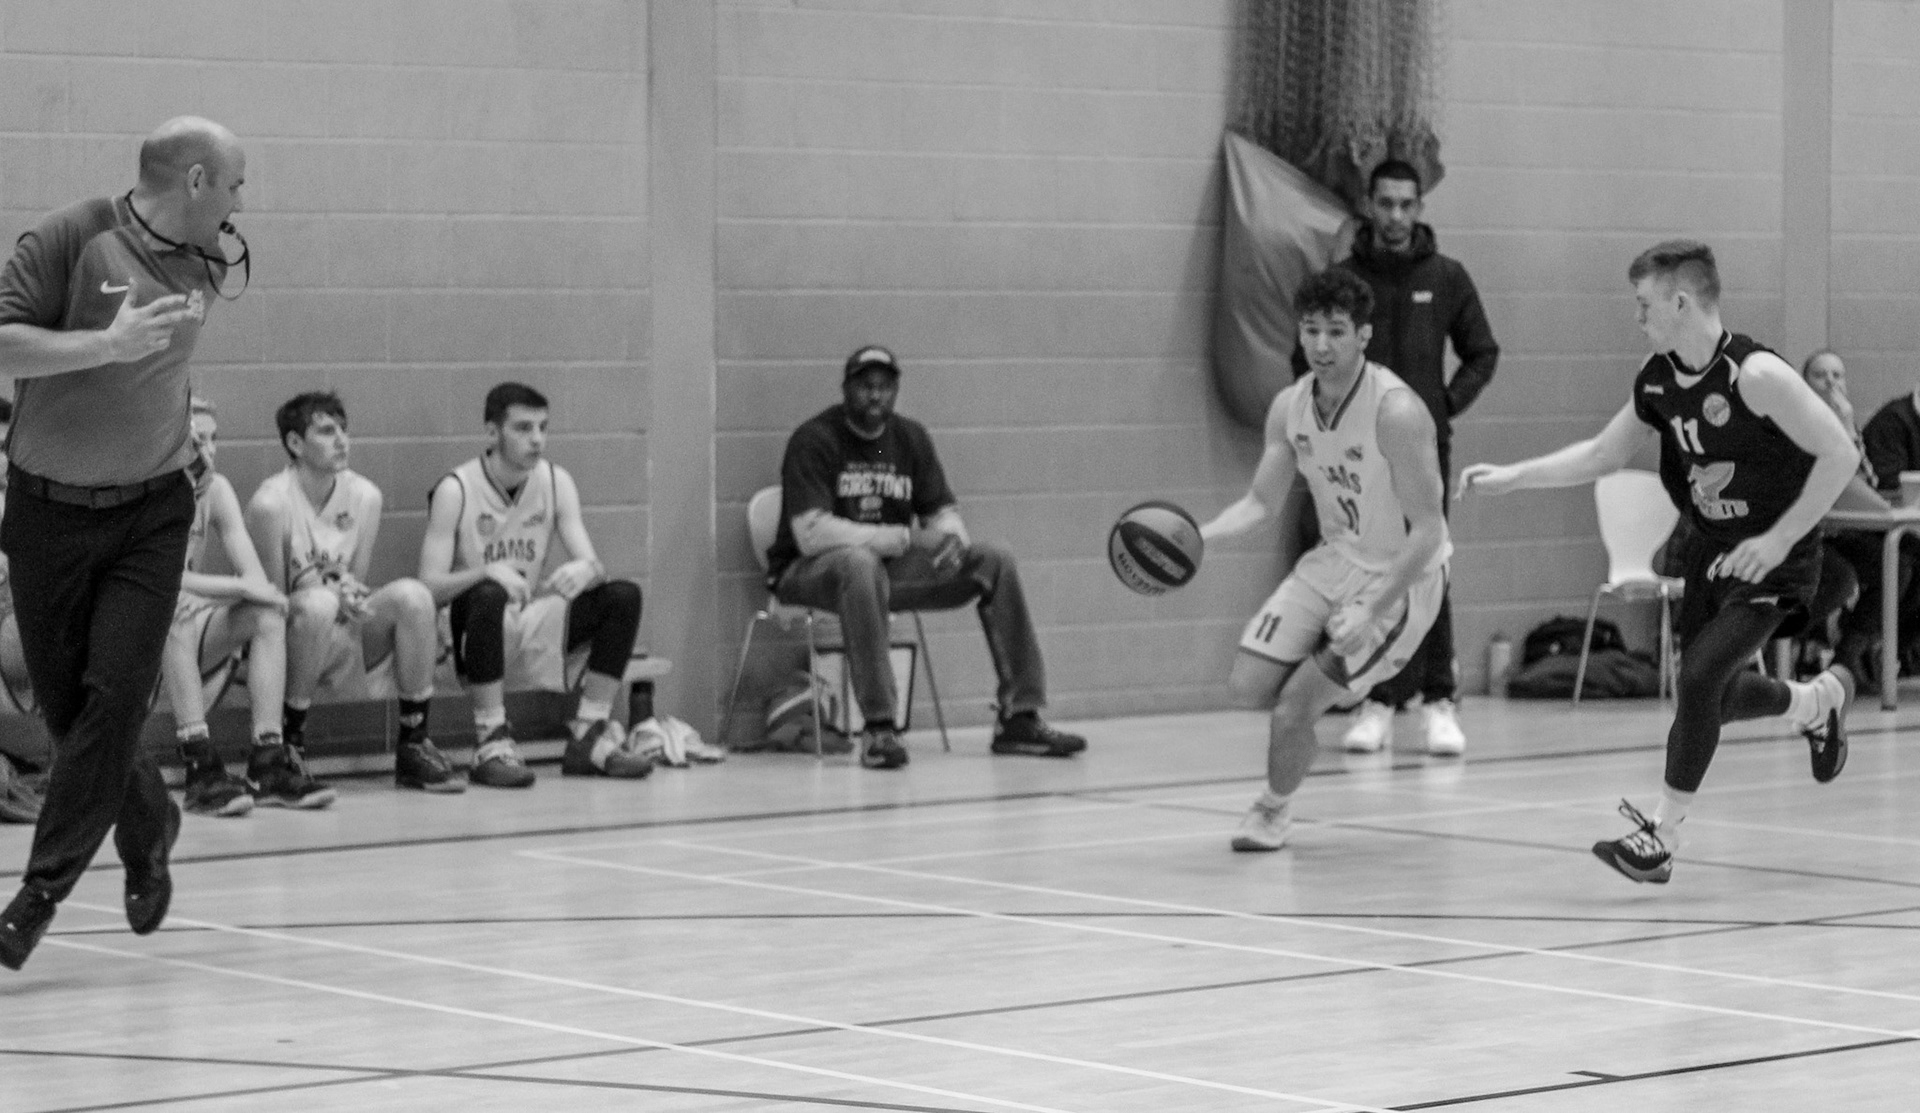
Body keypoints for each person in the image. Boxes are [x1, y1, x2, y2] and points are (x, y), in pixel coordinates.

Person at [1462, 240, 1859, 885]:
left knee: (1699, 679)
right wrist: (1514, 477)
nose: (1637, 316)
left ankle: (1661, 837)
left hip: (1776, 557)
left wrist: (1779, 540)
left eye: (1644, 304)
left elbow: (1840, 454)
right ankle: (1817, 702)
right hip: (1711, 551)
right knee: (1714, 697)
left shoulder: (1755, 376)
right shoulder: (1657, 378)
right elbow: (1603, 454)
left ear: (1681, 302)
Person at [0, 116, 247, 969]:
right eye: (234, 183)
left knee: (113, 699)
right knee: (74, 715)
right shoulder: (70, 237)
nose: (241, 202)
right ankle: (149, 822)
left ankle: (37, 895)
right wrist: (102, 344)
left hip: (151, 515)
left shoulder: (211, 260)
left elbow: (160, 374)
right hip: (48, 515)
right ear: (195, 180)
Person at [1201, 268, 1451, 852]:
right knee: (1246, 685)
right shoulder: (1289, 406)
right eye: (1310, 330)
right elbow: (1259, 504)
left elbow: (1430, 530)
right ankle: (1334, 687)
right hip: (1335, 558)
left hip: (1401, 577)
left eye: (1336, 331)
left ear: (1364, 335)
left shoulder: (1396, 411)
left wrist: (1371, 609)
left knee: (1292, 709)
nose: (1321, 344)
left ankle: (1271, 811)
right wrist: (1197, 538)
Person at [765, 344, 1086, 769]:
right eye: (865, 386)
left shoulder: (909, 438)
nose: (875, 395)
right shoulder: (816, 439)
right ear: (846, 389)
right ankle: (879, 728)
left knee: (995, 559)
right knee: (859, 563)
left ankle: (1020, 717)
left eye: (884, 386)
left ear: (896, 390)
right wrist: (903, 538)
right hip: (807, 573)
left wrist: (952, 541)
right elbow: (811, 534)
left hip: (883, 573)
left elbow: (941, 511)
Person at [1302, 160, 1499, 757]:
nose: (1395, 215)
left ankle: (1439, 700)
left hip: (1420, 450)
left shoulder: (1446, 276)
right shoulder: (1342, 280)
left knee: (1427, 564)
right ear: (1369, 204)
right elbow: (1304, 355)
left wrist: (1443, 404)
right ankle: (1377, 701)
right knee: (1368, 573)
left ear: (1419, 207)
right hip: (1354, 458)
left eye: (1406, 204)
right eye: (1385, 203)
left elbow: (1483, 352)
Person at [419, 382, 666, 785]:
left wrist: (590, 570)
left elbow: (592, 563)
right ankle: (490, 740)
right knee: (489, 593)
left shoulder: (555, 481)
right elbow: (428, 586)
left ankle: (589, 734)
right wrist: (485, 571)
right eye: (523, 428)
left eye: (542, 428)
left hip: (525, 616)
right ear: (492, 432)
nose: (536, 439)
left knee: (622, 596)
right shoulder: (456, 489)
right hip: (465, 631)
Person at [247, 392, 455, 793]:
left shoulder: (365, 496)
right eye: (327, 431)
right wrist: (325, 594)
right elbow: (271, 605)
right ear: (295, 443)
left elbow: (355, 581)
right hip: (293, 635)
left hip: (341, 628)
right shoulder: (270, 503)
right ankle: (289, 744)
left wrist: (351, 595)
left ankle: (414, 741)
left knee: (414, 597)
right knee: (318, 605)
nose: (342, 440)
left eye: (344, 430)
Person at [163, 397, 334, 815]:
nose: (207, 450)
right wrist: (237, 587)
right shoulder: (147, 493)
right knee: (168, 610)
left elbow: (256, 581)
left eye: (213, 439)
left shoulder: (216, 489)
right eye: (196, 441)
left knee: (267, 616)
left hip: (188, 626)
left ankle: (267, 761)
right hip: (134, 634)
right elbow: (162, 580)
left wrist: (241, 590)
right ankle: (200, 767)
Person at [1831, 353, 1920, 682]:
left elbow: (1865, 476)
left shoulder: (1848, 426)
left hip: (1883, 528)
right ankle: (1850, 653)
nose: (1831, 384)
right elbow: (1883, 484)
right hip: (1840, 530)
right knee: (1897, 564)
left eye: (1837, 375)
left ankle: (1888, 651)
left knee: (1907, 560)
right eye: (1821, 375)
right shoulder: (1893, 422)